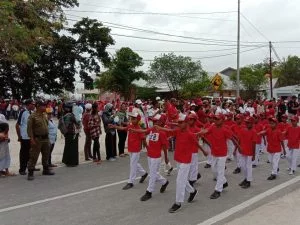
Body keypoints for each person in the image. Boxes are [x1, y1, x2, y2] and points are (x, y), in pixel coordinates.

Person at [131, 114, 170, 201]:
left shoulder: (162, 133)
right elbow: (144, 132)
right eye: (153, 121)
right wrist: (134, 130)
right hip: (150, 155)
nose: (154, 122)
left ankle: (149, 192)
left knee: (152, 174)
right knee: (153, 173)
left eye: (156, 121)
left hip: (156, 157)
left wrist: (166, 158)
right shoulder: (152, 129)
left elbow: (164, 147)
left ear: (161, 122)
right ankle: (164, 182)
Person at [203, 114, 238, 199]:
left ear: (222, 120)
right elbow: (206, 131)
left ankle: (218, 190)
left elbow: (233, 138)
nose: (215, 120)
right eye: (215, 119)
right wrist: (196, 133)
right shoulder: (213, 127)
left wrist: (238, 148)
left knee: (220, 171)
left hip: (222, 154)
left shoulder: (225, 129)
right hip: (214, 152)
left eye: (217, 119)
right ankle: (224, 182)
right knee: (214, 170)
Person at [112, 112, 148, 190]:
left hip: (136, 149)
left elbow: (143, 138)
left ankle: (131, 182)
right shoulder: (131, 125)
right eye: (131, 118)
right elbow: (123, 128)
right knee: (134, 163)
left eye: (134, 118)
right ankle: (144, 173)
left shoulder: (138, 128)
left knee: (133, 165)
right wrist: (115, 126)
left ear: (138, 120)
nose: (132, 119)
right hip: (131, 148)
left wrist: (147, 148)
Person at [27, 100, 55, 180]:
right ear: (38, 106)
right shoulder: (32, 116)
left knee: (46, 154)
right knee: (34, 156)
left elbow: (46, 126)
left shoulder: (44, 115)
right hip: (37, 139)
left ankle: (45, 170)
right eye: (43, 106)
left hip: (46, 138)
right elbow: (29, 129)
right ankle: (30, 172)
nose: (45, 107)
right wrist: (31, 139)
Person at [236, 116, 257, 189]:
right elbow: (239, 139)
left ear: (252, 123)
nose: (247, 124)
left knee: (248, 167)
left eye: (248, 123)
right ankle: (245, 178)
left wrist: (254, 155)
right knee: (243, 166)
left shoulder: (254, 132)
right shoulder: (242, 130)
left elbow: (254, 144)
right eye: (246, 122)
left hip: (250, 153)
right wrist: (238, 147)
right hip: (243, 151)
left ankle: (249, 181)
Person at [15, 99, 36, 175]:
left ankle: (30, 166)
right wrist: (19, 136)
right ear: (28, 105)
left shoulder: (33, 112)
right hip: (25, 137)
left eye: (34, 104)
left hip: (32, 136)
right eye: (32, 104)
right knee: (24, 153)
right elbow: (17, 125)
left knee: (32, 153)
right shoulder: (23, 112)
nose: (34, 105)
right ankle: (22, 169)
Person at [61, 102, 80, 167]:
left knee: (67, 147)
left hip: (66, 133)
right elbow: (77, 122)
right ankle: (72, 162)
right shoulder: (70, 115)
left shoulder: (64, 115)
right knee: (72, 148)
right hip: (71, 133)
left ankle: (66, 161)